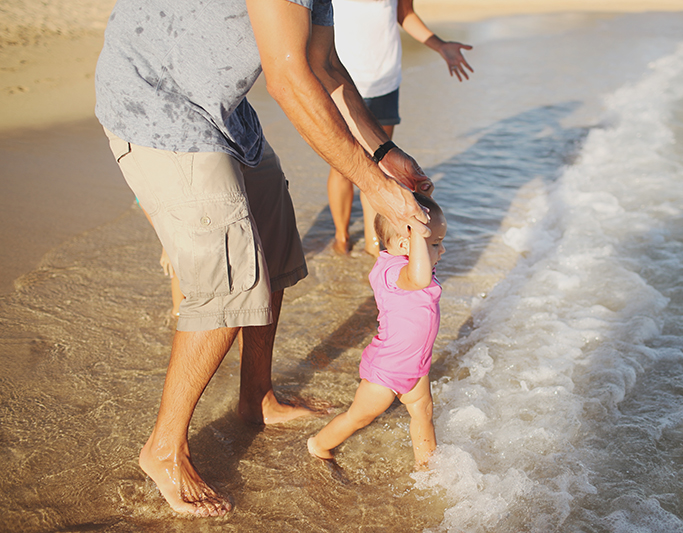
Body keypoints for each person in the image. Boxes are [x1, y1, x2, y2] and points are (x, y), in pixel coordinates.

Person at [95, 0, 434, 517]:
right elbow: (288, 79)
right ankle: (162, 449)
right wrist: (374, 188)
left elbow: (324, 66)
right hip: (157, 103)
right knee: (231, 284)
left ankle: (257, 397)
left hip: (221, 108)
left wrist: (383, 154)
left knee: (273, 250)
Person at [308, 193, 446, 469]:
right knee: (358, 417)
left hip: (415, 366)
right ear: (408, 243)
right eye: (436, 244)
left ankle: (427, 467)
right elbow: (417, 277)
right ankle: (319, 445)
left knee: (423, 413)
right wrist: (419, 231)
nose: (442, 251)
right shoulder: (395, 272)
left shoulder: (412, 268)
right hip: (388, 370)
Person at [327, 0, 472, 256]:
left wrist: (439, 45)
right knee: (342, 167)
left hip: (384, 80)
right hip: (339, 83)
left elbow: (405, 14)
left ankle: (374, 245)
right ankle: (342, 237)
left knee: (379, 165)